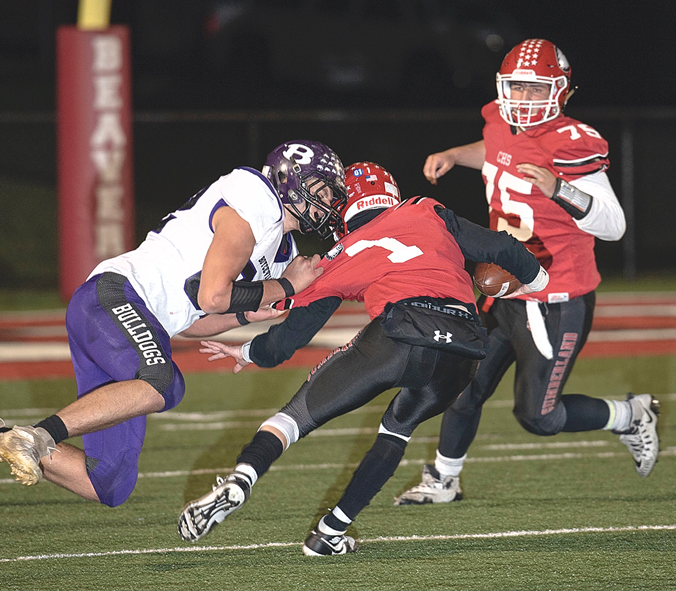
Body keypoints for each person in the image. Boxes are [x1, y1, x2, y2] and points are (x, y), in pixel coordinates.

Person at [0, 140, 349, 508]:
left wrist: (252, 311)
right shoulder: (255, 198)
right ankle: (37, 435)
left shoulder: (279, 249)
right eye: (325, 191)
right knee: (163, 381)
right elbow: (214, 292)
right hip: (114, 296)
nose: (330, 204)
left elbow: (196, 318)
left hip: (134, 320)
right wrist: (283, 288)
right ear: (293, 182)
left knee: (106, 485)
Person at [177, 162, 548, 555]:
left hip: (400, 333)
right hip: (467, 346)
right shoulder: (424, 210)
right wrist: (537, 281)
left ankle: (241, 479)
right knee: (397, 430)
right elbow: (503, 247)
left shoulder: (340, 252)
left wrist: (250, 351)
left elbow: (289, 339)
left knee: (294, 417)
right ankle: (329, 533)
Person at [393, 39, 658, 507]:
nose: (525, 99)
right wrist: (457, 154)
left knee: (538, 416)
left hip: (556, 297)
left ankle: (630, 415)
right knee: (461, 386)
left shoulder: (573, 143)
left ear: (560, 91)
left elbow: (614, 225)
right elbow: (496, 149)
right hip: (504, 286)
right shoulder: (500, 118)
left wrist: (561, 190)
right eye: (517, 87)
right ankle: (444, 479)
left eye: (537, 90)